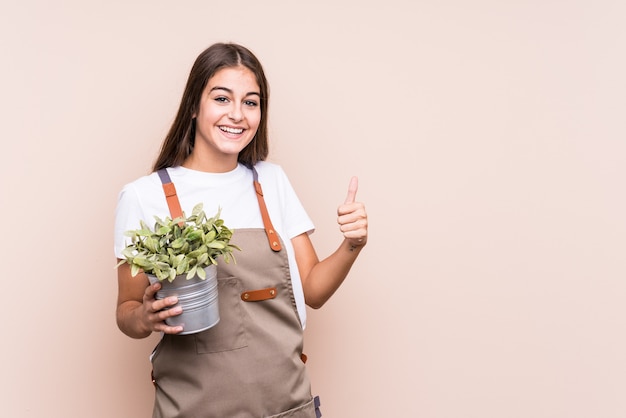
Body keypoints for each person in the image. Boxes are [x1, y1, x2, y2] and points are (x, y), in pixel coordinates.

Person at [114, 42, 368, 418]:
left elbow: (313, 290)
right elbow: (126, 310)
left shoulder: (272, 181)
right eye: (222, 98)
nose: (237, 114)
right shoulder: (144, 196)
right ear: (194, 105)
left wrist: (352, 243)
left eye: (251, 102)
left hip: (286, 407)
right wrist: (144, 317)